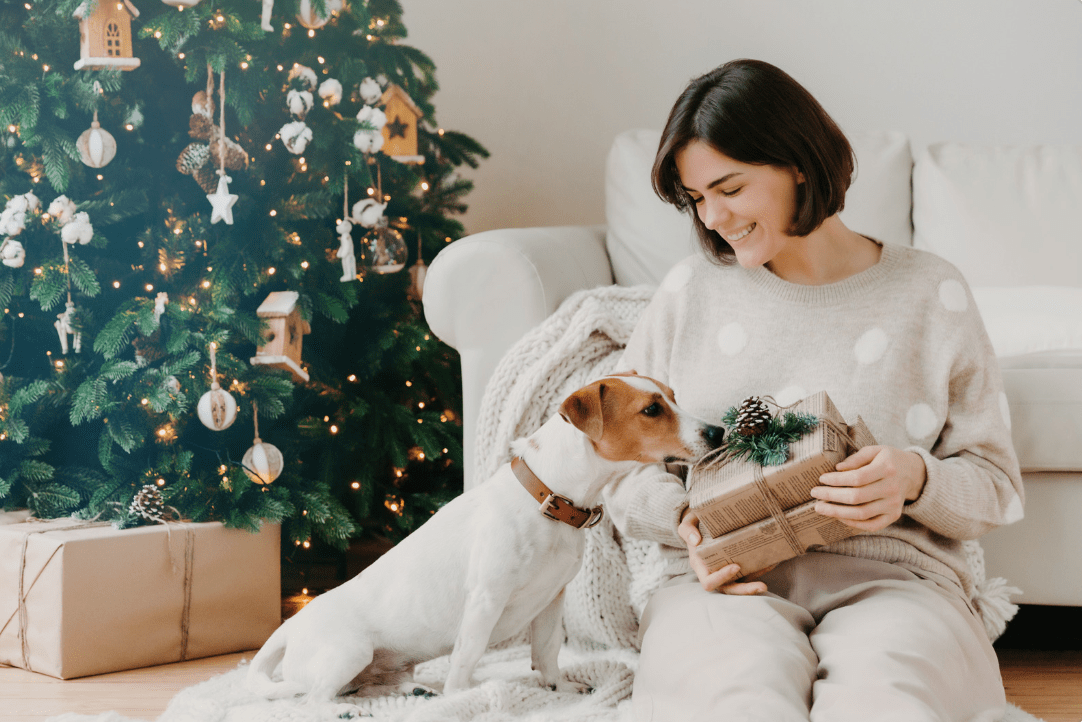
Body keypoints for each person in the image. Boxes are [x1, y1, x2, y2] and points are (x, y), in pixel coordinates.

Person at [602, 59, 1024, 722]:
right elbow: (623, 465)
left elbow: (996, 484)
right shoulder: (689, 293)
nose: (712, 217)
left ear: (796, 162)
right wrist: (688, 526)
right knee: (739, 704)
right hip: (721, 587)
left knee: (884, 705)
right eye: (696, 199)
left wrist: (913, 479)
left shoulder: (930, 291)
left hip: (896, 581)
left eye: (729, 188)